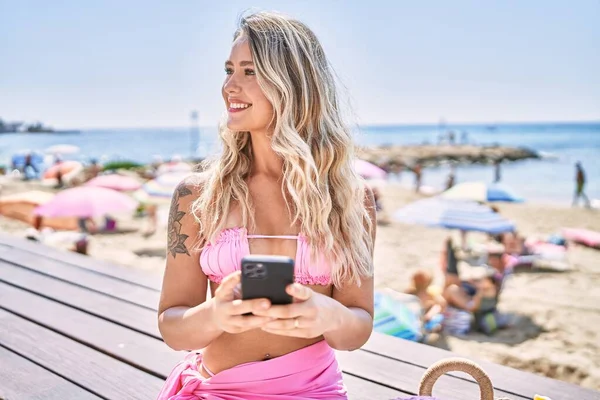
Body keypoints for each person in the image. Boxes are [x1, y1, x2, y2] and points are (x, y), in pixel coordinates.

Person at [157, 11, 376, 400]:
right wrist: (215, 315)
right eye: (228, 70)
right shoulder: (198, 196)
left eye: (249, 72)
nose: (229, 86)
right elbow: (172, 325)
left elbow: (357, 328)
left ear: (293, 83)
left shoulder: (349, 199)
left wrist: (329, 315)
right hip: (219, 391)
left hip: (314, 391)